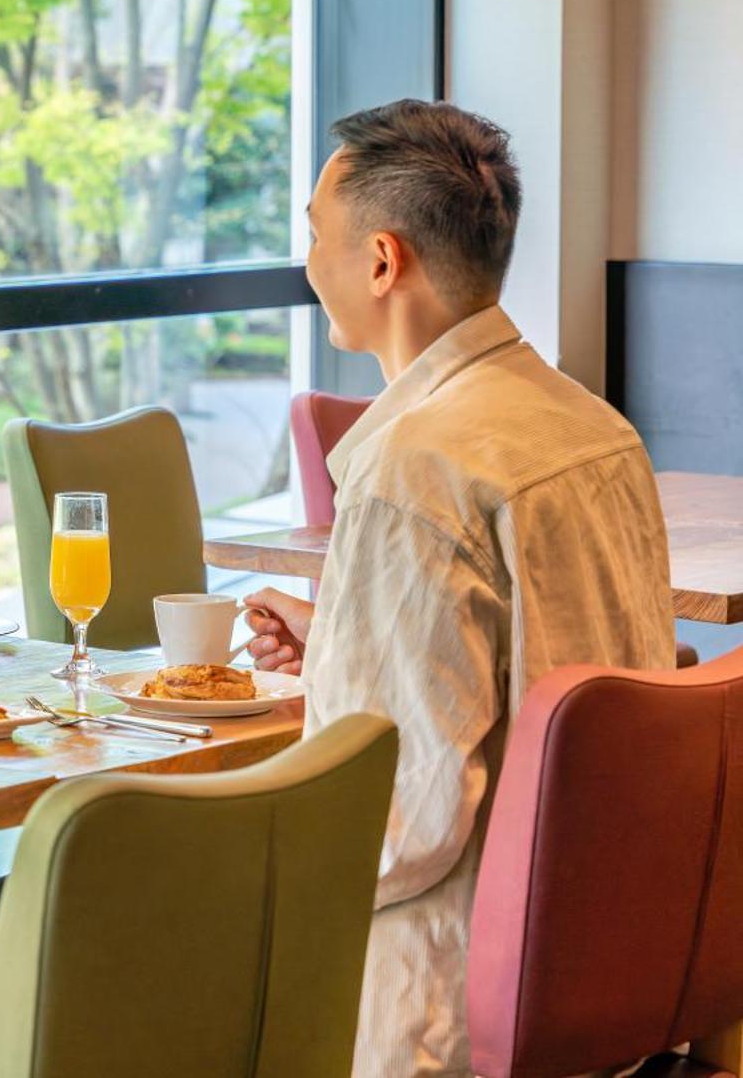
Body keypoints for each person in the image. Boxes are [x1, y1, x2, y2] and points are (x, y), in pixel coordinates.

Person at [241, 100, 674, 1075]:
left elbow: (397, 821)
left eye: (315, 233)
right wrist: (344, 638)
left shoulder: (411, 468)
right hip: (609, 962)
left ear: (381, 260)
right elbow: (562, 676)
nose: (308, 258)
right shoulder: (595, 429)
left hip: (446, 993)